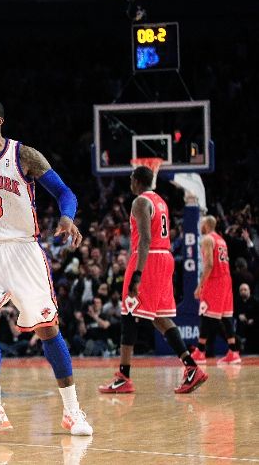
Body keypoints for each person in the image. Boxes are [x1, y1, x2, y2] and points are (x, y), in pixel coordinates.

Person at [0, 96, 92, 436]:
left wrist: (67, 218)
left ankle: (72, 411)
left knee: (48, 329)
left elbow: (65, 192)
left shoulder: (24, 155)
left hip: (23, 249)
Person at [99, 166, 208, 394]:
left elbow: (146, 238)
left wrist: (137, 274)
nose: (129, 181)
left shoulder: (140, 201)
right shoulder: (160, 201)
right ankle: (191, 366)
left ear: (138, 181)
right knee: (159, 317)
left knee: (129, 314)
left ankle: (123, 376)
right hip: (164, 258)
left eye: (131, 178)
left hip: (147, 260)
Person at [190, 215, 241, 364]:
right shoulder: (221, 240)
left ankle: (200, 351)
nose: (200, 225)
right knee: (226, 318)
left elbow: (210, 265)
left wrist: (200, 286)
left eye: (201, 223)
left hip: (215, 281)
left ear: (206, 225)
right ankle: (233, 352)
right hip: (226, 280)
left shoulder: (207, 239)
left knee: (206, 315)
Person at [234, 283, 258, 353]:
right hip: (241, 332)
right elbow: (233, 313)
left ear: (249, 290)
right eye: (241, 290)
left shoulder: (255, 302)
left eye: (245, 289)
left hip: (254, 332)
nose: (243, 291)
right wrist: (238, 316)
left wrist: (253, 320)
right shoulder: (237, 302)